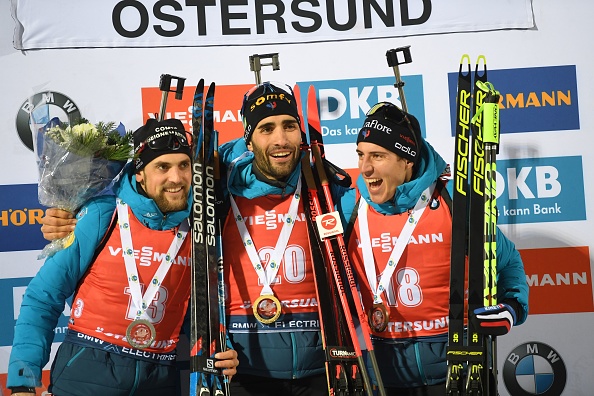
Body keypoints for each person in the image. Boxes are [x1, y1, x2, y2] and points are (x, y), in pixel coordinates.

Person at [38, 83, 329, 396]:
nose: (280, 139)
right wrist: (63, 218)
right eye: (266, 128)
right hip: (241, 371)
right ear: (248, 137)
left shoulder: (327, 190)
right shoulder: (214, 196)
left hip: (317, 367)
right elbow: (45, 295)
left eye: (289, 126)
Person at [8, 118, 238, 396]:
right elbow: (43, 298)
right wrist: (23, 381)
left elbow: (199, 316)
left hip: (158, 376)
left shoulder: (200, 228)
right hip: (86, 372)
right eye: (162, 167)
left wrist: (218, 349)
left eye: (183, 165)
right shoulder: (102, 215)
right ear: (140, 172)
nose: (176, 178)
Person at [335, 102, 529, 395]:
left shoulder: (454, 201)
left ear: (407, 160)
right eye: (361, 155)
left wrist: (512, 307)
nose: (365, 168)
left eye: (378, 155)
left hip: (455, 374)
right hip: (377, 376)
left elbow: (507, 260)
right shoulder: (349, 207)